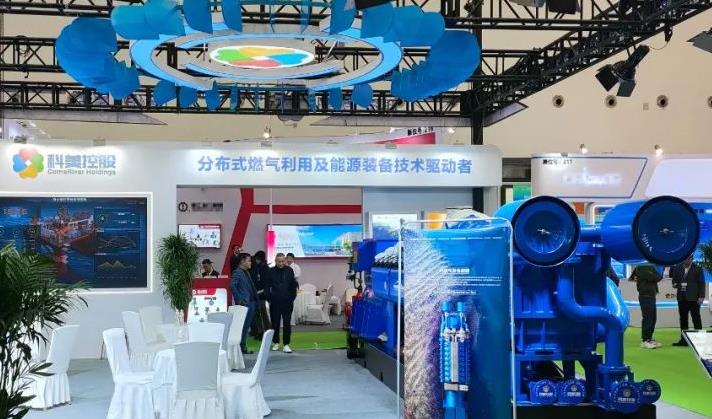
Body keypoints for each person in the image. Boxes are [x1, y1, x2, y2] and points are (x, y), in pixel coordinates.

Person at [265, 253, 298, 353]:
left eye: (282, 261)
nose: (281, 263)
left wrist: (292, 298)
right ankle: (276, 342)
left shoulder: (289, 270)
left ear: (285, 261)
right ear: (275, 261)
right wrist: (269, 298)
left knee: (287, 323)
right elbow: (267, 286)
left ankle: (286, 344)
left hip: (287, 302)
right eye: (279, 261)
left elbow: (293, 285)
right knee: (275, 323)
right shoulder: (271, 271)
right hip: (275, 302)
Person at [671, 255, 706, 346]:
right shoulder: (677, 268)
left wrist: (701, 296)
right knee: (683, 320)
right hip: (681, 298)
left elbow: (702, 283)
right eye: (685, 259)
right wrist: (674, 284)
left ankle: (700, 340)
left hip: (694, 298)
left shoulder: (698, 268)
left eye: (689, 259)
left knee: (696, 319)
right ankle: (684, 340)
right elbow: (674, 281)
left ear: (692, 259)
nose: (687, 261)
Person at [629, 263, 662, 349]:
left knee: (652, 318)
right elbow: (657, 277)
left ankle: (649, 339)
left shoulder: (648, 266)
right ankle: (645, 340)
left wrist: (655, 274)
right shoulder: (644, 266)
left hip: (650, 295)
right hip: (646, 296)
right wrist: (655, 274)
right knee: (648, 318)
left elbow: (657, 277)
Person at [230, 252, 258, 354]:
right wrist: (239, 300)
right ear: (242, 261)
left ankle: (242, 347)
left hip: (251, 303)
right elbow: (232, 285)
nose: (251, 262)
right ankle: (241, 348)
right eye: (249, 260)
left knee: (246, 327)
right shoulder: (237, 272)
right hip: (244, 304)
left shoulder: (246, 272)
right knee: (243, 327)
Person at [249, 251, 271, 339]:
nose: (255, 260)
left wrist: (260, 291)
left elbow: (265, 283)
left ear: (260, 259)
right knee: (257, 314)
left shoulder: (265, 268)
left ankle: (267, 332)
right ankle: (260, 331)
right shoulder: (257, 267)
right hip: (257, 293)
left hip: (262, 294)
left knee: (263, 313)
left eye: (257, 259)